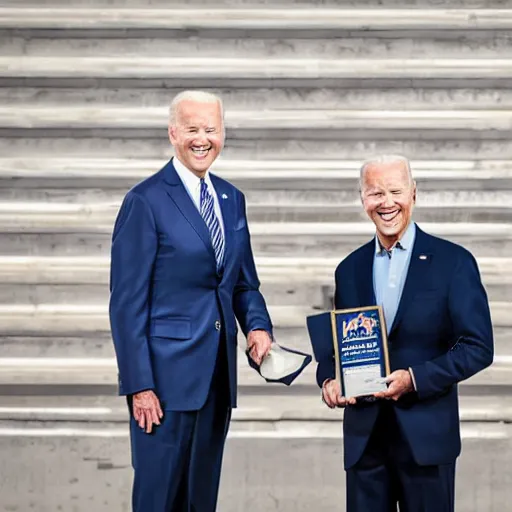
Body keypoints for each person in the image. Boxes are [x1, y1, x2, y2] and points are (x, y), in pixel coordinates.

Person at [109, 90, 273, 512]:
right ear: (173, 133)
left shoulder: (231, 199)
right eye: (192, 129)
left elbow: (242, 283)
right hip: (163, 384)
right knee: (158, 499)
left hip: (216, 377)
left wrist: (257, 326)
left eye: (211, 129)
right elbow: (126, 303)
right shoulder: (145, 201)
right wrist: (139, 384)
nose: (202, 139)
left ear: (223, 135)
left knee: (201, 499)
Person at [317, 155, 494, 512]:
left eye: (395, 191)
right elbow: (338, 349)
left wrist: (415, 378)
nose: (386, 203)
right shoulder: (348, 269)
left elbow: (478, 347)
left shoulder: (454, 262)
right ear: (362, 199)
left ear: (414, 194)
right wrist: (329, 380)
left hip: (426, 439)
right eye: (375, 193)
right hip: (366, 442)